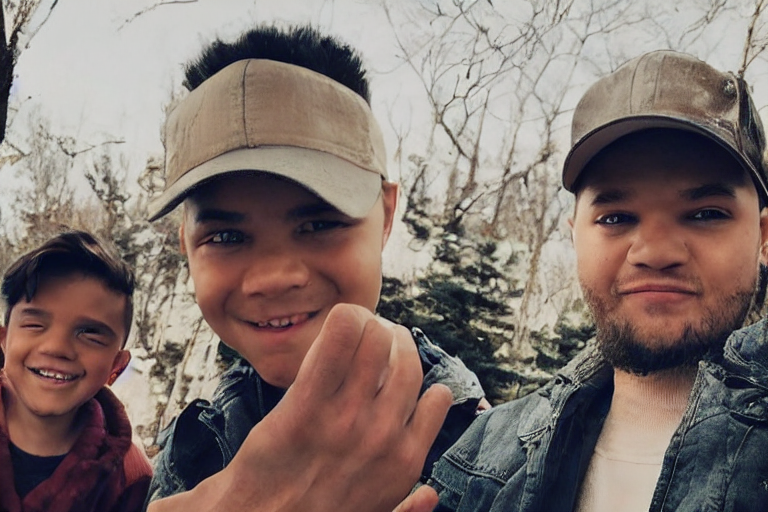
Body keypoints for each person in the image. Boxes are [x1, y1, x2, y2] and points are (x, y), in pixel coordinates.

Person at [144, 25, 485, 511]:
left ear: (387, 215)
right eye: (225, 237)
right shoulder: (189, 451)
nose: (271, 278)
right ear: (186, 244)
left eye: (320, 224)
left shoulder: (484, 452)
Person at [427, 50, 768, 511]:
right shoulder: (482, 455)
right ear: (575, 237)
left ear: (763, 237)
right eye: (616, 217)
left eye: (706, 213)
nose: (655, 253)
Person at [0, 230, 152, 512]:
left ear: (116, 366)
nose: (57, 348)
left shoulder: (130, 477)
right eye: (34, 324)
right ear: (3, 340)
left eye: (90, 334)